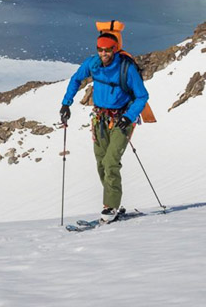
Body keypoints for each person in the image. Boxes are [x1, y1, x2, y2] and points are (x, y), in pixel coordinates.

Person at [60, 31, 149, 222]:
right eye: (100, 49)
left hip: (122, 119)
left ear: (114, 49)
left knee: (110, 161)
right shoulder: (92, 64)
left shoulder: (126, 68)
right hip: (100, 119)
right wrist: (66, 103)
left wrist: (129, 116)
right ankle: (112, 203)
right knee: (101, 162)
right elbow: (76, 79)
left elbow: (142, 96)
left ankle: (111, 206)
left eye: (107, 50)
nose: (103, 53)